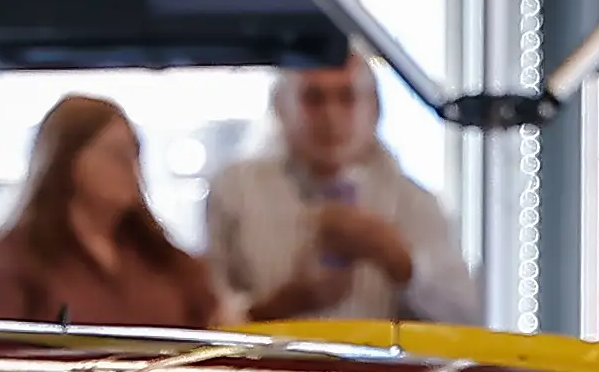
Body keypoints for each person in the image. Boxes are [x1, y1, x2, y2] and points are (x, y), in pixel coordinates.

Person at [204, 46, 479, 329]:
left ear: (374, 109)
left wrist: (398, 259)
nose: (331, 115)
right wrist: (280, 306)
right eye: (314, 98)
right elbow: (205, 318)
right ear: (280, 107)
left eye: (347, 97)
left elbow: (467, 319)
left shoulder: (415, 203)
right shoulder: (236, 192)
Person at [0, 97, 220, 331]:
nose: (131, 168)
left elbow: (213, 327)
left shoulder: (163, 259)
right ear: (69, 161)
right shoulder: (8, 264)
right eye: (116, 154)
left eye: (134, 154)